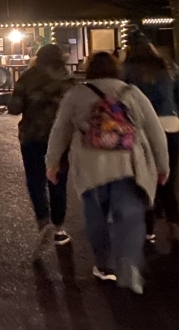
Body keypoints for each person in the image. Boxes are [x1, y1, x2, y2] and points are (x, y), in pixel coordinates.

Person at [46, 52, 169, 292]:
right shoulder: (132, 92)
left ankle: (103, 266)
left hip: (92, 168)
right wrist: (162, 166)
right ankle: (128, 261)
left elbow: (59, 130)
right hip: (129, 165)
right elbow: (155, 131)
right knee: (130, 215)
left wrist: (52, 163)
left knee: (96, 217)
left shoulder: (76, 94)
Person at [8, 44, 77, 255]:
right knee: (58, 180)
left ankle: (43, 219)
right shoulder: (68, 80)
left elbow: (14, 107)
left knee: (35, 179)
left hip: (32, 135)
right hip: (60, 139)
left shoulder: (28, 77)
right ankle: (58, 227)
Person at [123, 38, 179, 246]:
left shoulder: (129, 71)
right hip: (172, 124)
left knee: (144, 179)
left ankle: (148, 231)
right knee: (168, 178)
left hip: (144, 128)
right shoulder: (169, 67)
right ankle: (174, 224)